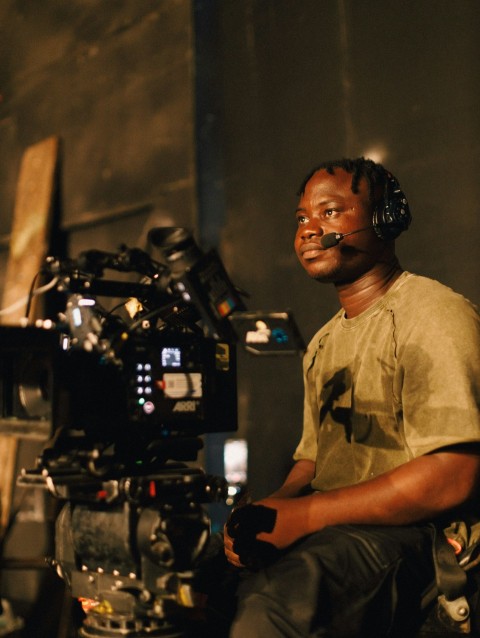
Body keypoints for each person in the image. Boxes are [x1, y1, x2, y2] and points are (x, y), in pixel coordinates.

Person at [196, 157, 480, 638]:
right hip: (341, 527)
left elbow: (451, 478)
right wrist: (274, 509)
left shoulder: (435, 316)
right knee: (200, 590)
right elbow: (314, 459)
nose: (310, 229)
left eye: (329, 212)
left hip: (421, 536)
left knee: (273, 612)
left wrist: (305, 515)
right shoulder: (324, 344)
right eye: (302, 218)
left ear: (385, 219)